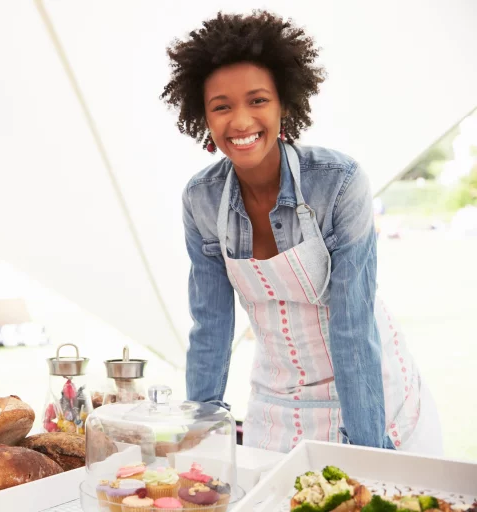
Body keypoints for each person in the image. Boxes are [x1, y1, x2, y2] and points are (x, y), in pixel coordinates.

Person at [162, 11, 442, 454]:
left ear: (284, 105)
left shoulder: (339, 182)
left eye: (257, 100)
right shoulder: (201, 199)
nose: (240, 121)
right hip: (277, 404)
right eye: (221, 106)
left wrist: (367, 450)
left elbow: (352, 322)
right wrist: (201, 429)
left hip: (369, 394)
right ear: (204, 117)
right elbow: (211, 324)